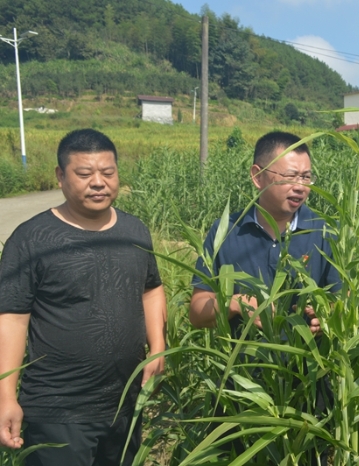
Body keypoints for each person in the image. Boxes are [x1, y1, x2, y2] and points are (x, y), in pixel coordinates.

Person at [0, 129, 166, 466]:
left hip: (124, 404)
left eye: (108, 172)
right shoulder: (33, 238)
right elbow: (12, 318)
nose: (99, 183)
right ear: (61, 176)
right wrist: (5, 395)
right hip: (58, 409)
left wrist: (158, 347)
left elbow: (151, 288)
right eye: (84, 173)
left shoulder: (134, 231)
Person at [189, 130, 340, 333]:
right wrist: (234, 303)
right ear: (258, 176)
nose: (300, 186)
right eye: (290, 176)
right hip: (241, 363)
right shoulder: (226, 231)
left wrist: (329, 316)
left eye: (306, 177)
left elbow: (343, 302)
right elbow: (197, 312)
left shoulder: (324, 231)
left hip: (309, 362)